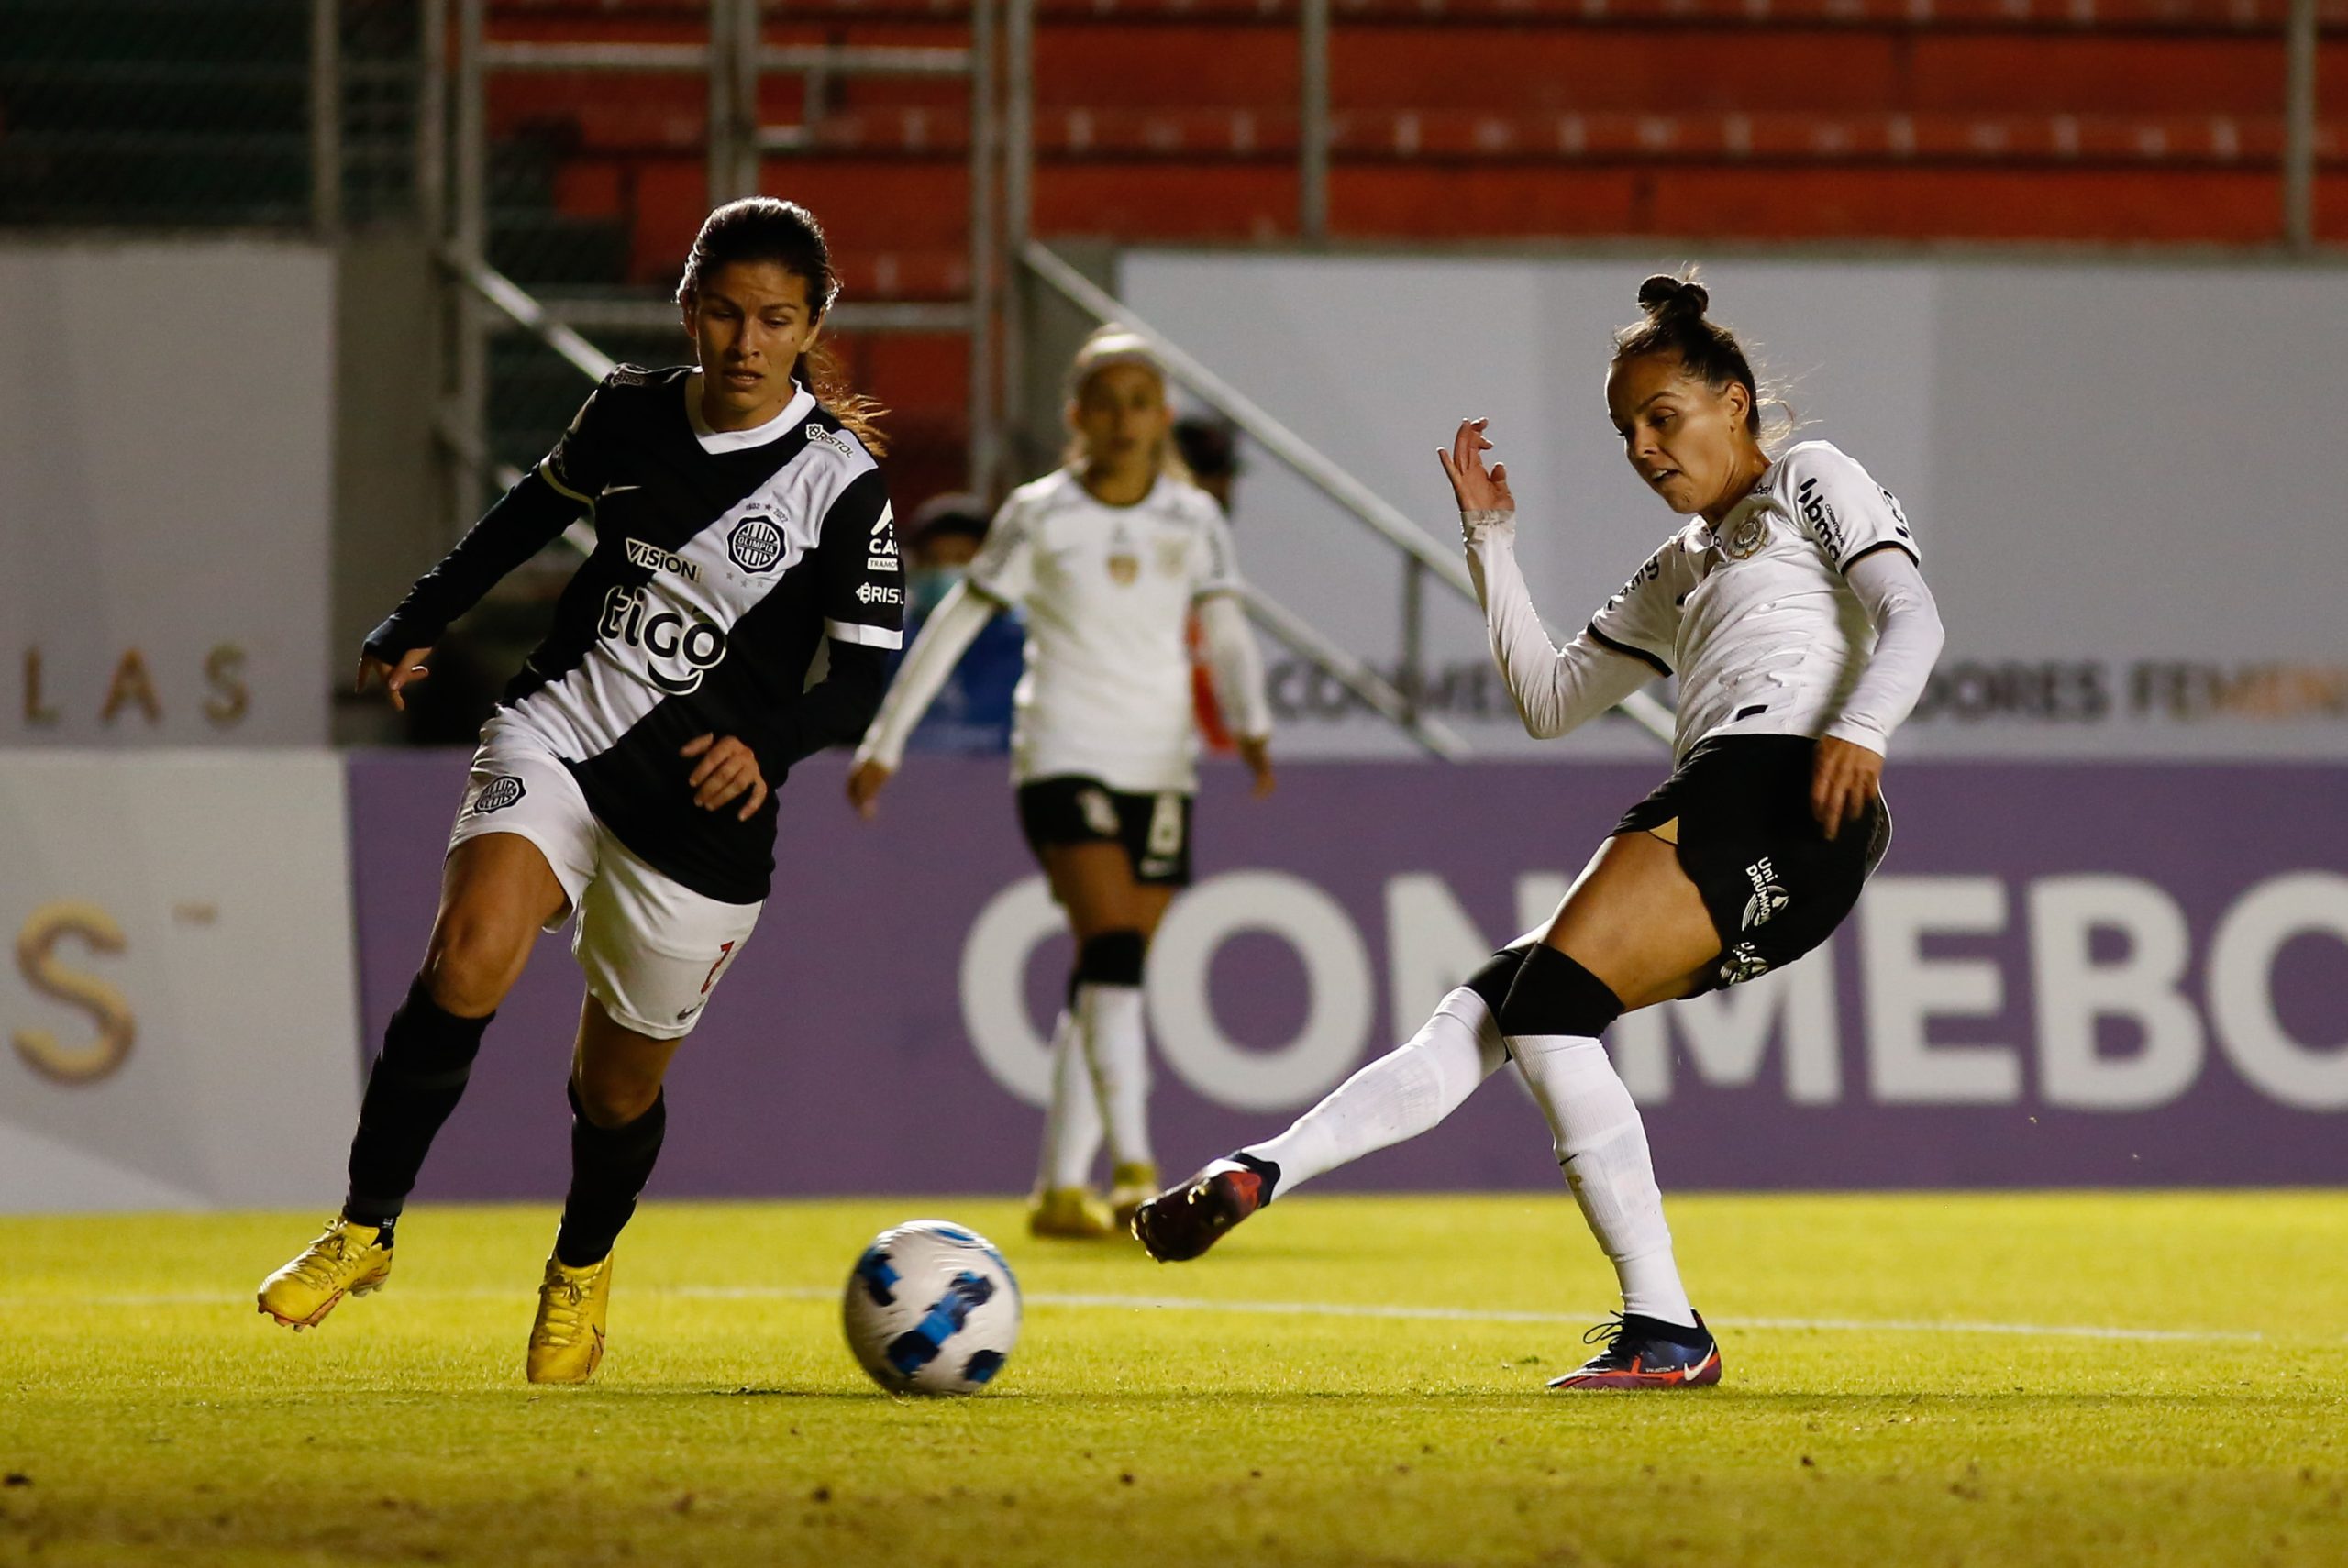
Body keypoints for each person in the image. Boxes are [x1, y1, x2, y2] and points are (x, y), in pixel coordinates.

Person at [1134, 274, 1945, 1390]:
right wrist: (1490, 540)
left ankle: (1665, 1327)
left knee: (1548, 1005)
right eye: (1625, 431)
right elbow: (1551, 699)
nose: (1644, 447)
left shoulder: (1812, 477)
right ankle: (1259, 1169)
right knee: (1496, 1005)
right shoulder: (1681, 568)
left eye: (1664, 416)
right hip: (1778, 837)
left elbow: (1913, 614)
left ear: (1737, 403)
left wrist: (1860, 728)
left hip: (1779, 785)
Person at [257, 197, 904, 1384]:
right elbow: (525, 520)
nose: (745, 342)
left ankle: (580, 1269)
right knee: (468, 956)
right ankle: (363, 1228)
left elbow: (867, 673)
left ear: (813, 325)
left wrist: (772, 744)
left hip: (702, 814)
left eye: (774, 319)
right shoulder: (626, 413)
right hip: (562, 726)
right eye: (723, 311)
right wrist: (419, 620)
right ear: (688, 309)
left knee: (613, 1089)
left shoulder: (840, 485)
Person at [847, 326, 1278, 1240]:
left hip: (1159, 766)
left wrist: (1251, 725)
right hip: (1061, 752)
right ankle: (1135, 1172)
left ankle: (1053, 1187)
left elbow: (1225, 628)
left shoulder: (1193, 518)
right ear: (1075, 415)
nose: (1124, 420)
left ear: (1160, 415)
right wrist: (886, 735)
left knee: (1106, 974)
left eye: (1140, 402)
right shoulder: (1039, 515)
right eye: (1105, 402)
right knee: (1113, 947)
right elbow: (959, 619)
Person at [893, 491, 1024, 755]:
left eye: (961, 558)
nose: (946, 570)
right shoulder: (890, 643)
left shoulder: (1024, 642)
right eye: (933, 560)